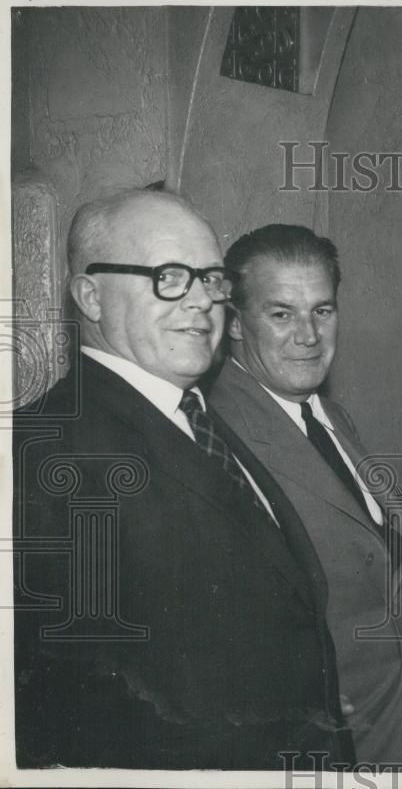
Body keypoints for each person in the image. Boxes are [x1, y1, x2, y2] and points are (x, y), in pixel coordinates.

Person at [13, 190, 354, 769]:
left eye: (210, 278)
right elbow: (73, 714)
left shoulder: (199, 416)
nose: (201, 302)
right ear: (90, 297)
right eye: (169, 277)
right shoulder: (42, 454)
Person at [208, 224, 402, 767]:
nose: (309, 335)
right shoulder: (219, 434)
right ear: (235, 322)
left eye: (322, 310)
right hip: (326, 753)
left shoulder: (329, 416)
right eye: (281, 313)